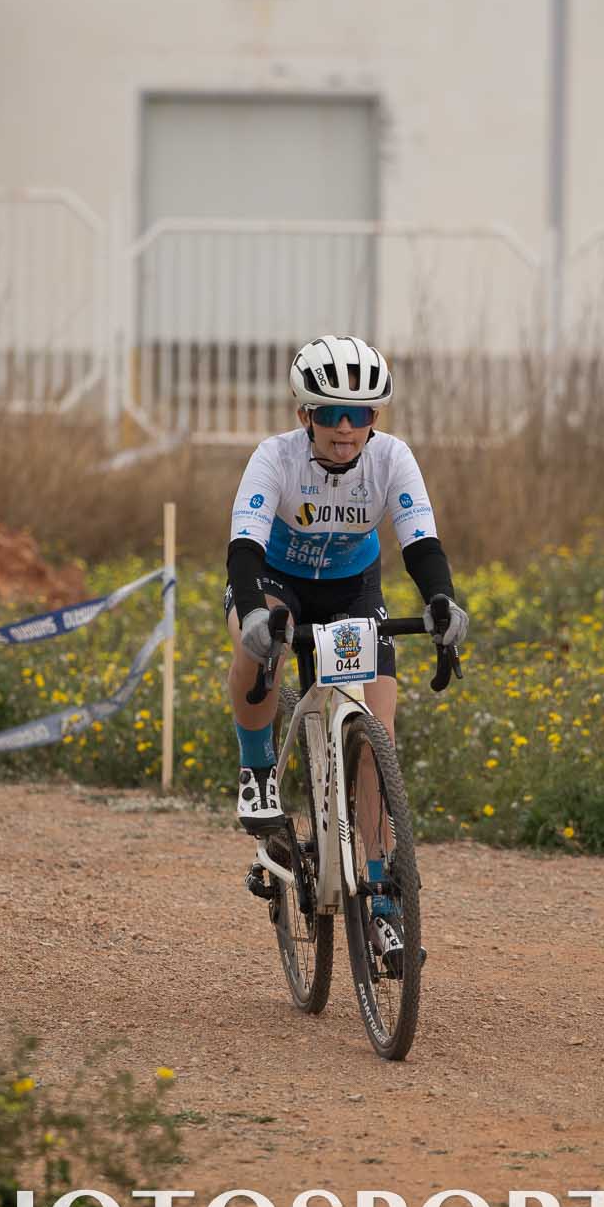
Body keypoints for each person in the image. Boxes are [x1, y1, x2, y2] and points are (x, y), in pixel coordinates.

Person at [224, 335, 468, 962]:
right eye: (330, 413)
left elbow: (421, 544)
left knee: (376, 739)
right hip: (275, 581)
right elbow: (244, 548)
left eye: (358, 414)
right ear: (305, 415)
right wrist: (253, 614)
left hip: (353, 588)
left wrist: (442, 601)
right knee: (262, 644)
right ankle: (257, 771)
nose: (344, 427)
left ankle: (382, 896)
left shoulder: (391, 458)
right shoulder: (274, 458)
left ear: (374, 418)